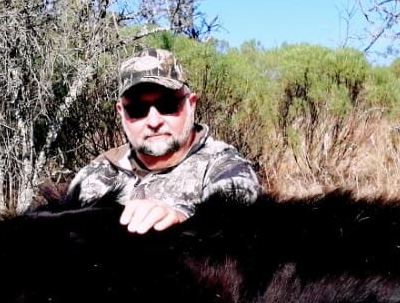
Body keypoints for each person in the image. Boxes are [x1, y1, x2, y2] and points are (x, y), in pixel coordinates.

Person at [66, 48, 260, 233]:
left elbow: (238, 223)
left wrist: (181, 219)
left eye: (167, 105)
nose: (154, 122)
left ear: (191, 104)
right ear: (121, 112)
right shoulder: (95, 174)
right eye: (137, 109)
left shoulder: (225, 166)